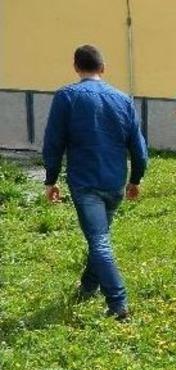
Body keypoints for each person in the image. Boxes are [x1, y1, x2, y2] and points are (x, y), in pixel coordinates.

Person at [42, 44, 148, 320]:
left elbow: (53, 143)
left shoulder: (67, 97)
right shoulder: (123, 100)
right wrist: (135, 179)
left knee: (98, 240)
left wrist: (50, 180)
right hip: (114, 183)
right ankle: (88, 287)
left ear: (76, 67)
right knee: (98, 236)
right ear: (103, 68)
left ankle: (118, 303)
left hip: (85, 182)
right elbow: (138, 147)